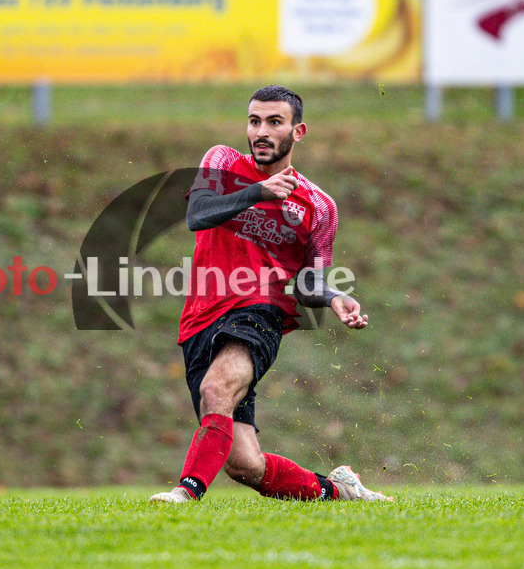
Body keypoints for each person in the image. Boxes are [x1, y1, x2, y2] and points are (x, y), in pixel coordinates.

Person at [150, 86, 391, 504]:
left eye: (274, 123)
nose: (261, 132)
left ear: (298, 132)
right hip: (200, 319)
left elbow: (310, 281)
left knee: (217, 388)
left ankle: (184, 493)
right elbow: (197, 215)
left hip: (260, 312)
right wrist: (258, 192)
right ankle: (340, 490)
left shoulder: (319, 205)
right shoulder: (222, 161)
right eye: (254, 121)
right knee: (244, 463)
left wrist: (333, 296)